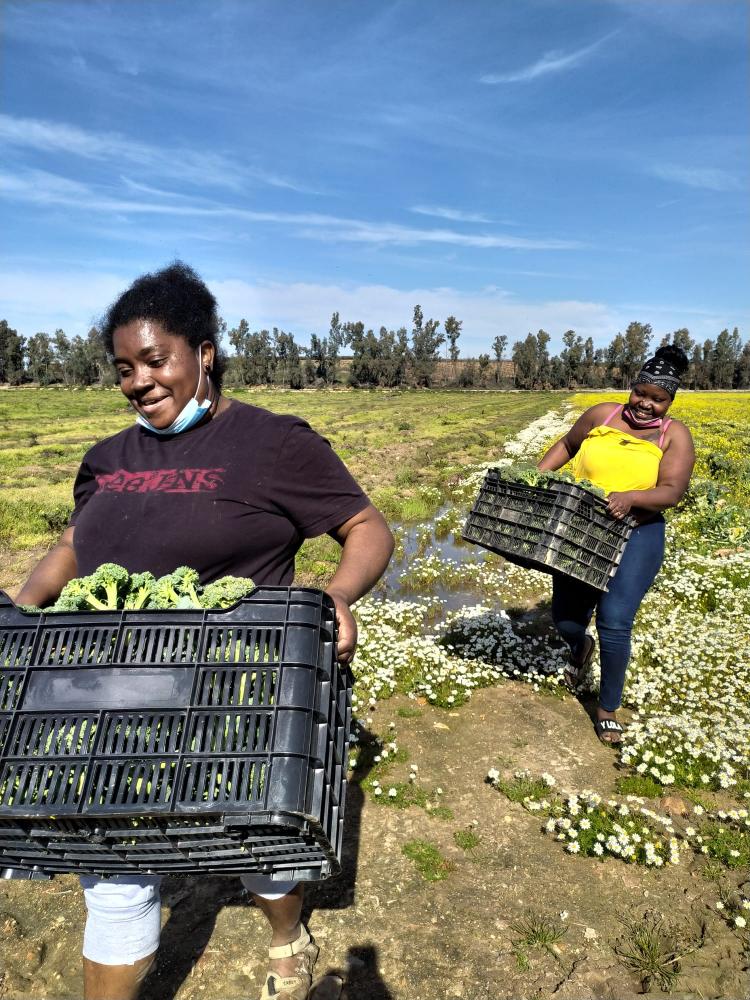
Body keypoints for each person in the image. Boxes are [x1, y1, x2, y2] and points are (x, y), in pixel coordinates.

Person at [15, 262, 395, 1000]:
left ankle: (286, 934)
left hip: (238, 693)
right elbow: (72, 546)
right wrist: (25, 614)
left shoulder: (273, 442)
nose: (139, 382)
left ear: (204, 353)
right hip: (116, 697)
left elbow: (366, 527)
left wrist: (340, 596)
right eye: (124, 369)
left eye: (156, 361)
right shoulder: (106, 459)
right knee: (115, 874)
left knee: (258, 848)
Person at [536, 345, 695, 745]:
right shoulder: (600, 414)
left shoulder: (673, 435)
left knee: (615, 621)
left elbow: (672, 491)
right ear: (631, 387)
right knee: (566, 617)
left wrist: (631, 497)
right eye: (641, 393)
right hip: (580, 528)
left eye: (658, 399)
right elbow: (568, 445)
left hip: (637, 533)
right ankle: (580, 646)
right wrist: (537, 476)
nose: (646, 404)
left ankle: (607, 708)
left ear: (669, 401)